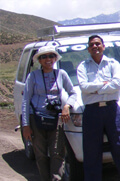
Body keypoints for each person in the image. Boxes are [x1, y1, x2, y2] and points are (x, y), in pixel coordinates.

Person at [77, 35, 120, 181]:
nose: (95, 47)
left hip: (111, 111)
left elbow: (116, 85)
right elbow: (83, 87)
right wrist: (104, 85)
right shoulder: (82, 66)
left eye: (97, 44)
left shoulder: (113, 64)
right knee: (91, 152)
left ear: (103, 46)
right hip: (92, 111)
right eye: (92, 45)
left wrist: (95, 89)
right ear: (88, 48)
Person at [22, 46, 77, 181]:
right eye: (44, 57)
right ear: (39, 60)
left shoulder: (61, 74)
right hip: (36, 119)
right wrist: (26, 125)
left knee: (57, 153)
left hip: (56, 119)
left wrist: (66, 106)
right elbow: (26, 101)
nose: (48, 59)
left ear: (55, 58)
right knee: (40, 154)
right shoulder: (33, 76)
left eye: (51, 56)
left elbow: (73, 93)